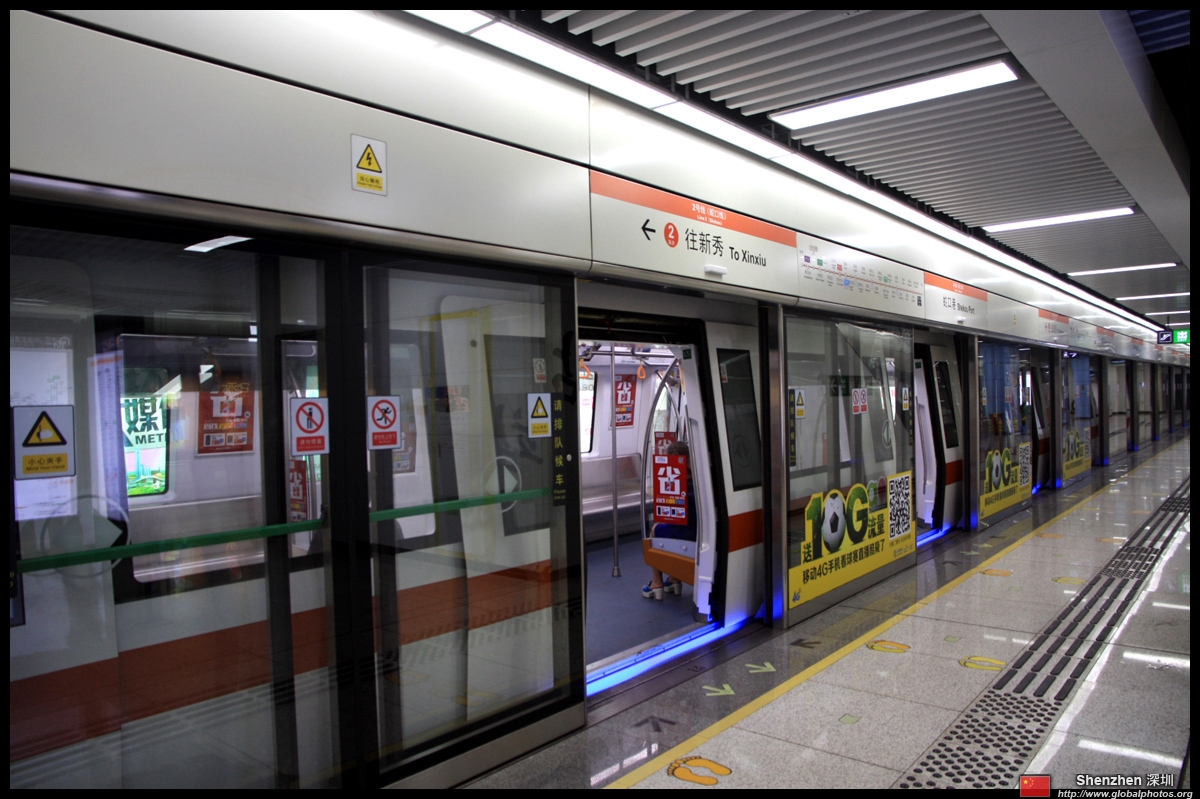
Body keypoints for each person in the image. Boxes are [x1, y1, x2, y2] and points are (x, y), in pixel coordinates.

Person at [643, 440, 697, 600]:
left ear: (674, 457)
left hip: (686, 532)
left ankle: (657, 582)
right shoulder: (700, 478)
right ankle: (674, 578)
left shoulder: (673, 481)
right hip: (701, 531)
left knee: (655, 530)